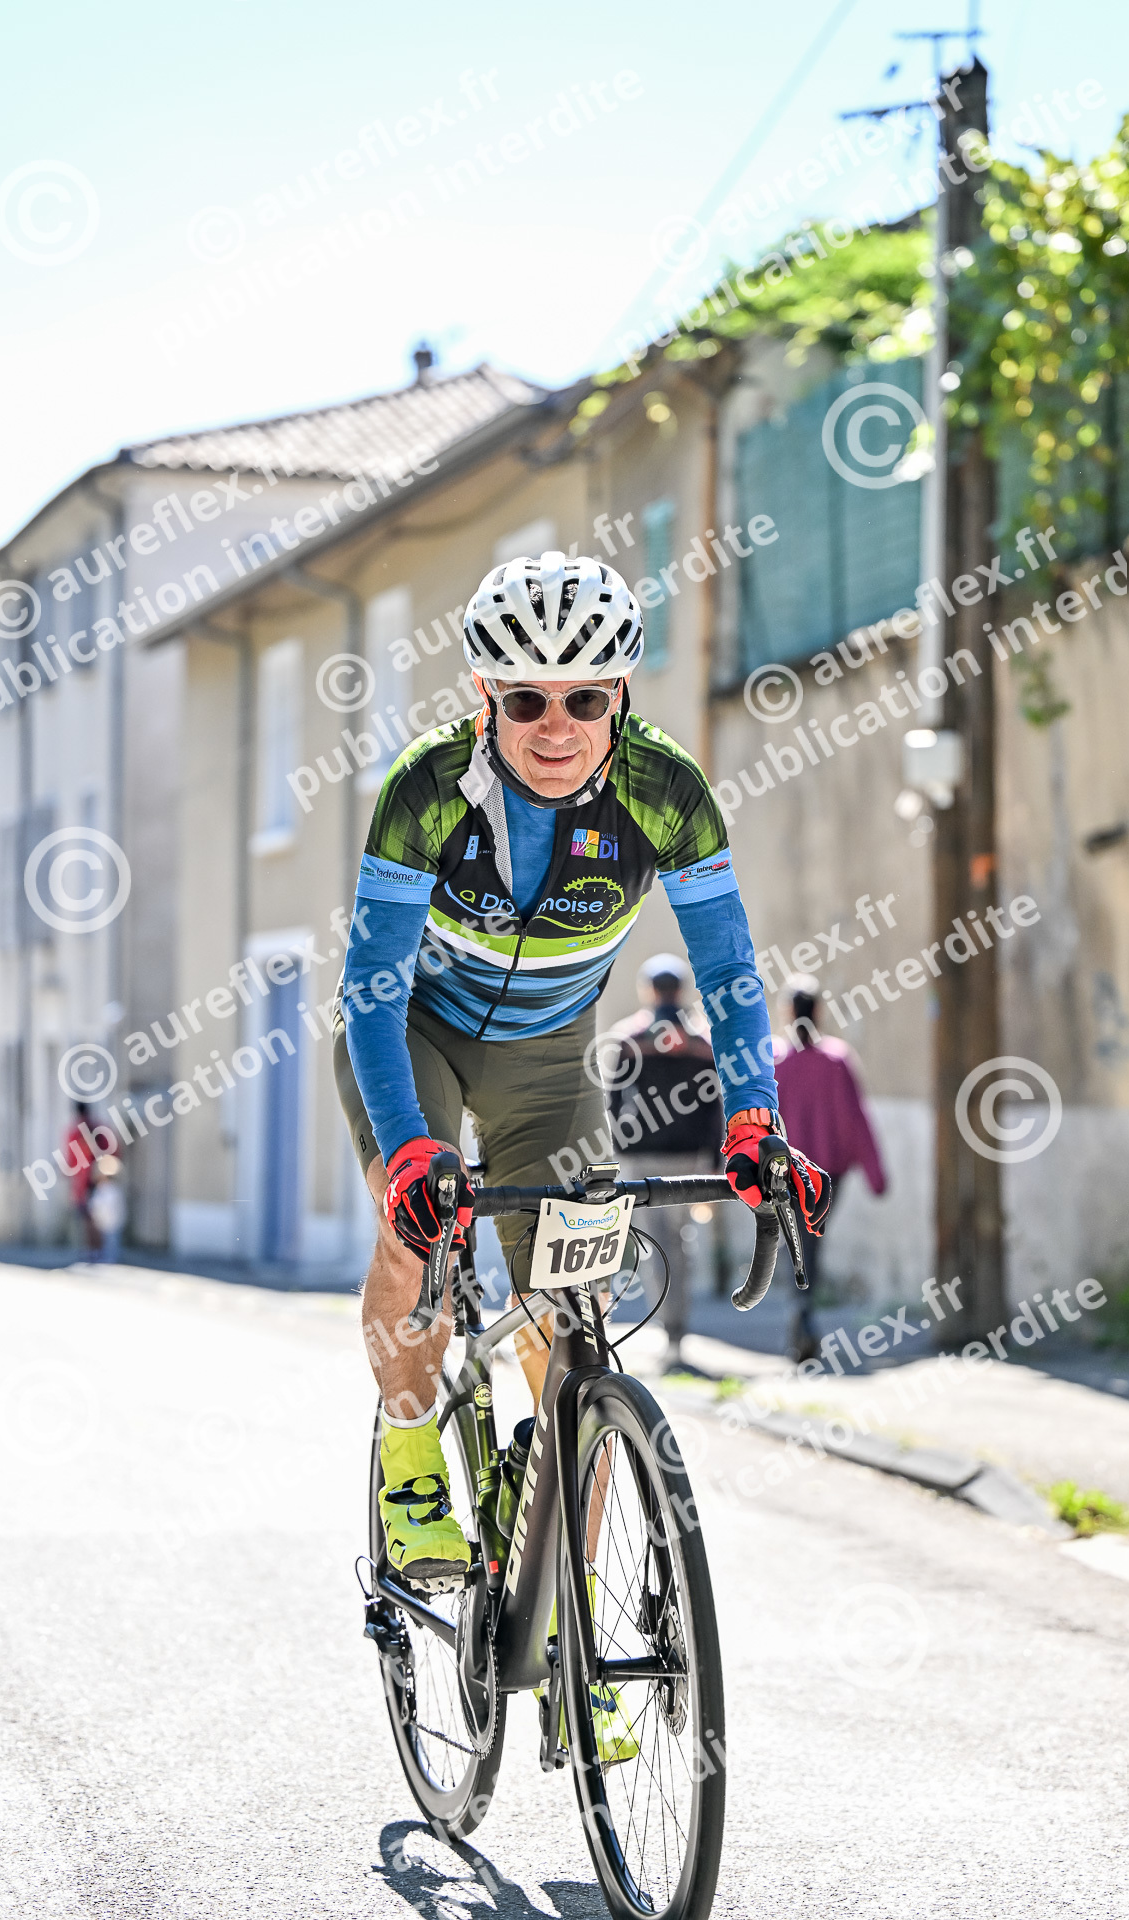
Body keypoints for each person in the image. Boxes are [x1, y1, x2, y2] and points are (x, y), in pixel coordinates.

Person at [333, 550, 830, 1598]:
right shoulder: (425, 787)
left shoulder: (665, 790)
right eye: (526, 701)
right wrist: (410, 1147)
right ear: (483, 694)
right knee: (414, 1229)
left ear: (620, 693)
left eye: (584, 700)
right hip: (415, 1031)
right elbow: (371, 986)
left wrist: (754, 1120)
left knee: (574, 1313)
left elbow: (728, 969)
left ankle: (561, 1596)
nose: (555, 727)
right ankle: (411, 1455)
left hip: (549, 1056)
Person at [604, 952, 723, 1369]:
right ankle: (677, 1330)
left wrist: (617, 1149)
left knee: (654, 1245)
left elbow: (614, 1102)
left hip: (641, 1156)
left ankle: (667, 1329)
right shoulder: (703, 1043)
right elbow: (715, 1106)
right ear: (682, 990)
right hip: (689, 1157)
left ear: (648, 991)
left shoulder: (628, 1039)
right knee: (681, 1243)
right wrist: (714, 1160)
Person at [772, 974, 887, 1362]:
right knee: (810, 1240)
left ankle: (800, 1314)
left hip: (784, 1173)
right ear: (818, 1011)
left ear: (787, 1012)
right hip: (827, 1175)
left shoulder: (775, 1061)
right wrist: (874, 1174)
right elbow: (857, 1119)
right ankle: (802, 1314)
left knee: (795, 1243)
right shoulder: (837, 1059)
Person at [63, 1101, 100, 1258]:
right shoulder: (97, 1128)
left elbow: (72, 1159)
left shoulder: (75, 1131)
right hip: (97, 1178)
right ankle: (96, 1250)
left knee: (86, 1217)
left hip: (82, 1181)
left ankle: (90, 1250)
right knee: (96, 1217)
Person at [88, 1154, 126, 1264]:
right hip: (104, 1222)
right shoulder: (102, 1189)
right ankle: (106, 1257)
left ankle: (111, 1259)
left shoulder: (112, 1190)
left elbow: (111, 1207)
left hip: (111, 1222)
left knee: (111, 1242)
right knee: (106, 1241)